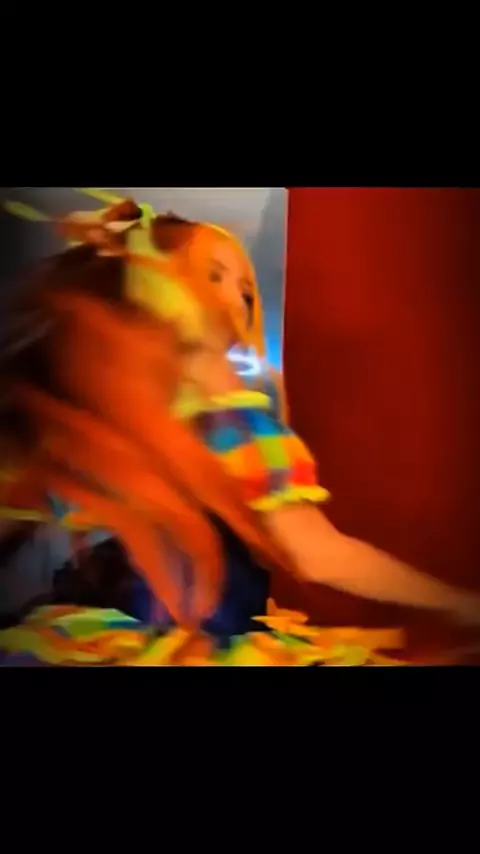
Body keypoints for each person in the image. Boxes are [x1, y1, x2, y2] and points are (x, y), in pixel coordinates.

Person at [0, 201, 479, 666]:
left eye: (246, 292)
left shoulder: (223, 424)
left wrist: (455, 603)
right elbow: (317, 555)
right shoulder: (92, 421)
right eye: (212, 275)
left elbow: (316, 552)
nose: (233, 299)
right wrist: (457, 603)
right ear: (146, 283)